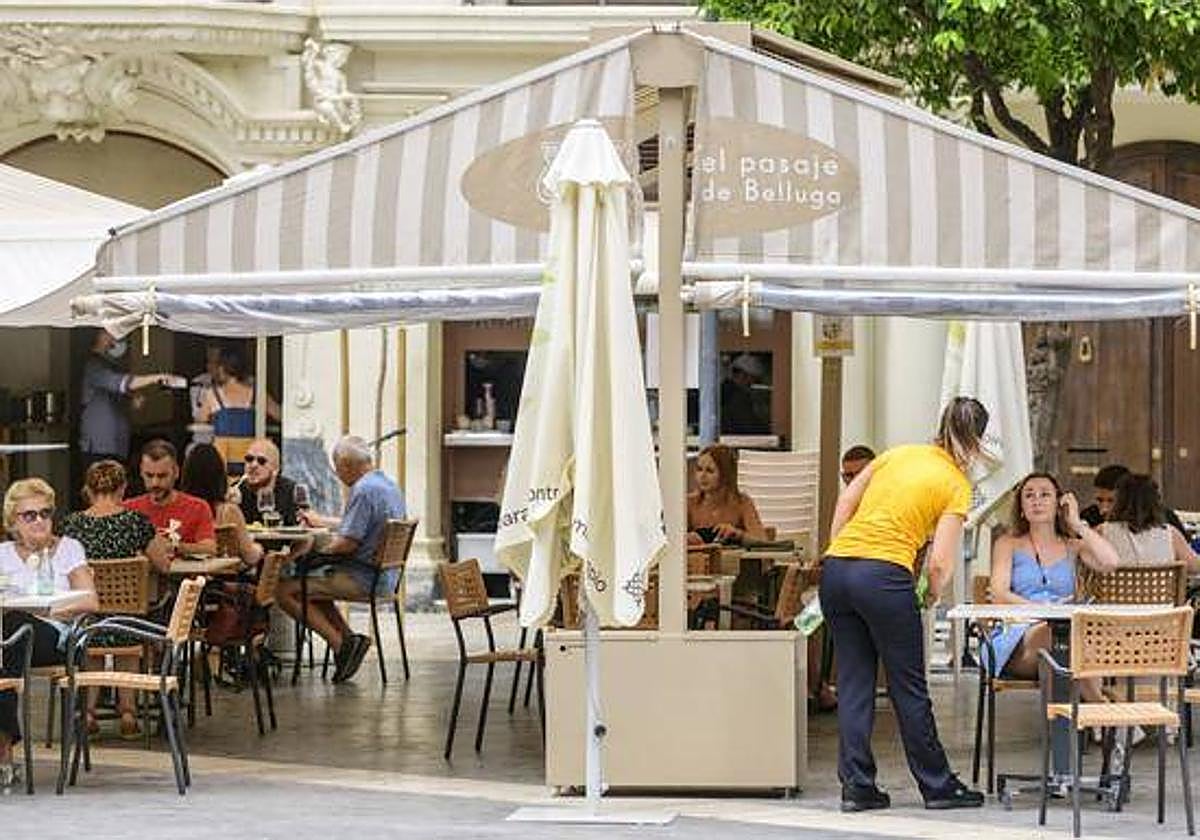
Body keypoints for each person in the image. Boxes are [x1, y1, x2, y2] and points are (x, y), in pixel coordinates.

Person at [821, 396, 989, 812]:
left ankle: (857, 787)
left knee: (854, 683)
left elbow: (845, 502)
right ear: (977, 441)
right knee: (908, 687)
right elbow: (941, 563)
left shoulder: (896, 454)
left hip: (838, 571)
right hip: (884, 576)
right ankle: (938, 786)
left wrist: (836, 550)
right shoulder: (956, 484)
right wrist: (930, 594)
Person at [276, 435, 404, 683]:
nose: (337, 474)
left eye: (337, 468)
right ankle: (350, 640)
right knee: (312, 588)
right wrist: (322, 521)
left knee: (284, 591)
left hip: (363, 578)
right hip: (385, 576)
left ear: (346, 464)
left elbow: (347, 544)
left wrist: (319, 553)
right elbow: (358, 525)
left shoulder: (363, 491)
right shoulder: (387, 485)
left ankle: (340, 646)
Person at [62, 460, 172, 736]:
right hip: (128, 619)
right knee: (127, 627)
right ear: (122, 488)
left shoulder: (71, 525)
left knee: (94, 634)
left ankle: (87, 713)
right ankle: (128, 714)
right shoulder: (136, 522)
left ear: (88, 489)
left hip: (86, 618)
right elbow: (163, 564)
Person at [0, 479, 98, 788]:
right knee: (10, 639)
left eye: (45, 513)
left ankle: (4, 750)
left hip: (59, 639)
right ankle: (4, 749)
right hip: (12, 641)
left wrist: (45, 611)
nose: (39, 520)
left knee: (16, 627)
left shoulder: (68, 549)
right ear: (13, 521)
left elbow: (90, 600)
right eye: (29, 515)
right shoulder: (2, 554)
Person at [983, 473, 1118, 696]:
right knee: (1059, 634)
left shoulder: (1073, 546)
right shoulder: (1007, 544)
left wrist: (1077, 524)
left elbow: (1110, 562)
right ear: (1021, 508)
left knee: (1072, 639)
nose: (1037, 500)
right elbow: (999, 594)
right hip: (1018, 639)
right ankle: (1102, 709)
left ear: (1058, 505)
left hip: (1068, 634)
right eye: (1029, 495)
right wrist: (1045, 612)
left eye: (1045, 495)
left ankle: (1094, 711)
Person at [79, 329, 178, 469]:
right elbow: (122, 382)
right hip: (100, 447)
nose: (117, 338)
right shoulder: (94, 365)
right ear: (101, 335)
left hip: (117, 446)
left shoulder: (111, 365)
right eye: (112, 333)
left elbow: (118, 397)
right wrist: (157, 378)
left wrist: (132, 401)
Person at [124, 439, 216, 557]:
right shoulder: (127, 509)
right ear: (141, 472)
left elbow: (209, 549)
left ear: (176, 472)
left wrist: (174, 547)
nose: (155, 483)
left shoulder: (198, 507)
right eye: (149, 475)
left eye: (162, 476)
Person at [180, 444, 263, 567]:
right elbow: (250, 557)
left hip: (185, 575)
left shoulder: (179, 510)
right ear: (220, 475)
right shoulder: (228, 511)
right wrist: (258, 548)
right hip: (224, 576)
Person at [1098, 473, 1199, 572]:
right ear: (1155, 502)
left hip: (1116, 584)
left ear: (1119, 501)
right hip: (1160, 584)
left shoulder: (1102, 532)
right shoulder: (1170, 535)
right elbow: (1195, 567)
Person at [686, 444, 766, 545]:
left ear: (725, 475)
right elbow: (671, 538)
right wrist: (687, 538)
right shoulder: (689, 503)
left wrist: (737, 534)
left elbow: (761, 540)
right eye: (699, 469)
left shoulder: (742, 502)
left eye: (710, 471)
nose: (702, 476)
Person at [1080, 463, 1188, 537]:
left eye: (1111, 501)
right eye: (1100, 501)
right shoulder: (1089, 516)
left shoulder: (1162, 518)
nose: (1104, 509)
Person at [238, 438, 298, 526]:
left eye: (261, 461)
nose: (253, 465)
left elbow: (302, 526)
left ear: (275, 469)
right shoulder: (237, 491)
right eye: (249, 459)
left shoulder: (290, 491)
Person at [720, 353, 770, 435]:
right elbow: (748, 426)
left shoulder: (724, 391)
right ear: (743, 375)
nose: (752, 384)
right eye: (753, 379)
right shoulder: (738, 396)